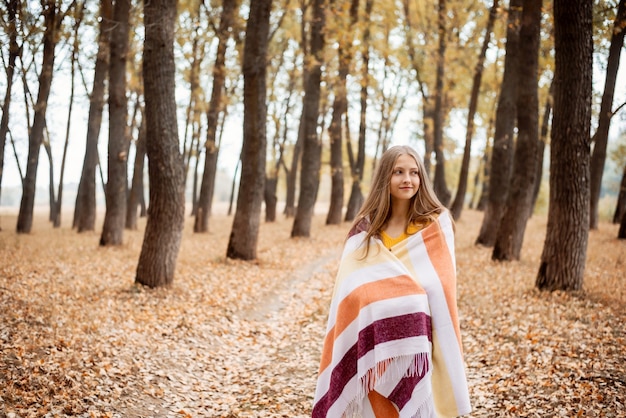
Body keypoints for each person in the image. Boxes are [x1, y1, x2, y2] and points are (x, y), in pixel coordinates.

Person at [312, 145, 471, 417]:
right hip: (372, 352)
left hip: (418, 357)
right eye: (398, 172)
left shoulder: (434, 229)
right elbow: (350, 293)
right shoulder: (365, 232)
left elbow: (441, 291)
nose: (407, 179)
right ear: (385, 177)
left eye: (414, 172)